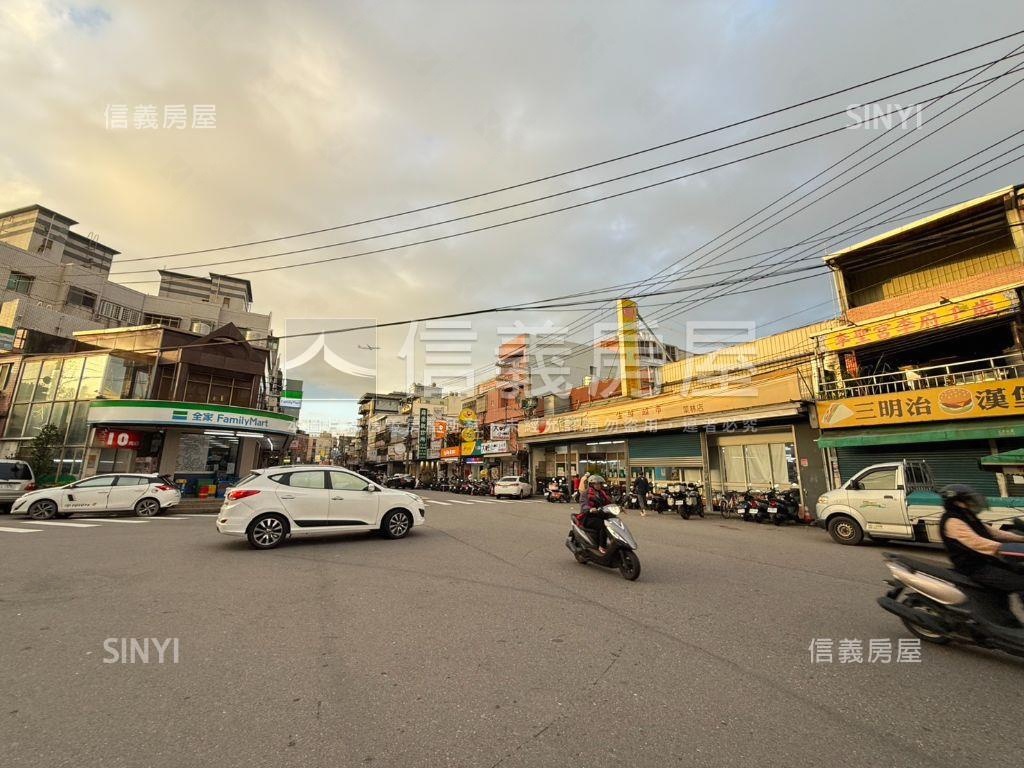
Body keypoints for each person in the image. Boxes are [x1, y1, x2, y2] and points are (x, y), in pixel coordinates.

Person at [939, 484, 1024, 627]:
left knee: (1019, 572)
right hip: (975, 568)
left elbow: (994, 533)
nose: (974, 502)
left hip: (987, 562)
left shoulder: (967, 516)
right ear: (958, 502)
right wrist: (1005, 548)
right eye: (970, 499)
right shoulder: (952, 521)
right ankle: (1005, 624)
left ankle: (1004, 620)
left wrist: (1020, 539)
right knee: (1021, 583)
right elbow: (977, 543)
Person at [580, 474, 613, 553]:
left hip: (601, 515)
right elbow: (583, 505)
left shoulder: (602, 493)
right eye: (596, 484)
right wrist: (590, 509)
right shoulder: (585, 494)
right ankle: (602, 546)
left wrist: (618, 507)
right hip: (588, 517)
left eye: (600, 484)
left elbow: (609, 502)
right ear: (591, 484)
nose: (599, 485)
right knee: (603, 525)